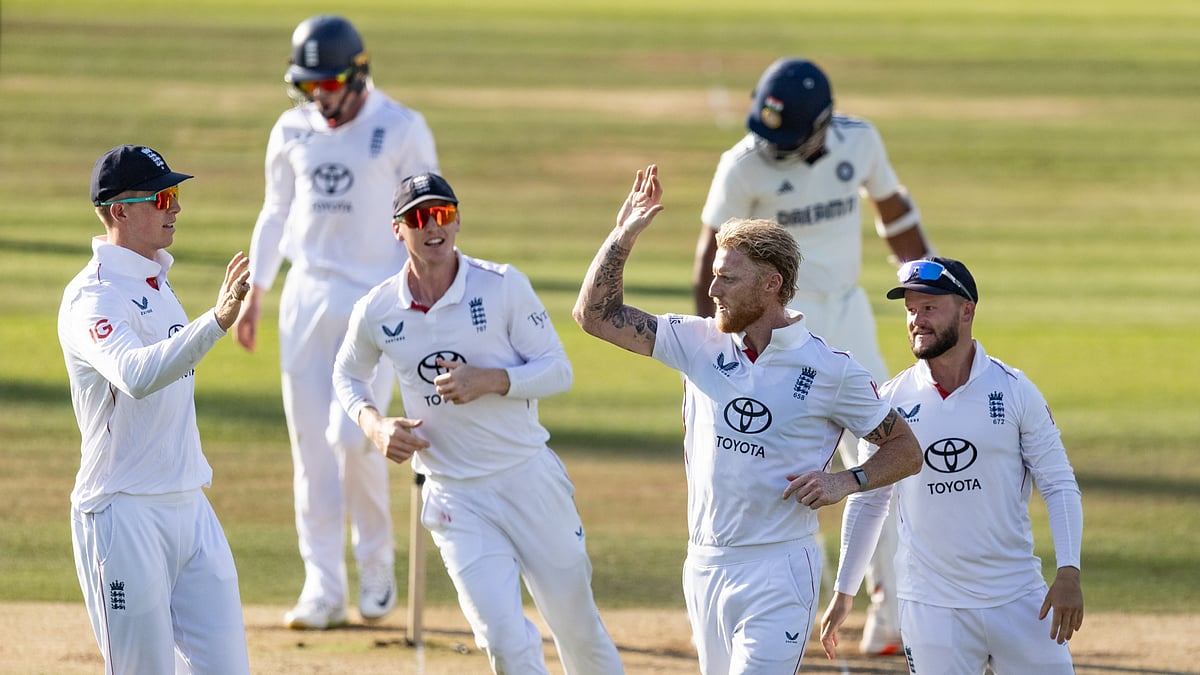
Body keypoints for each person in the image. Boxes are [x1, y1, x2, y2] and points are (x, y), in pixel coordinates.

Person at [574, 164, 922, 674]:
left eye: (728, 278)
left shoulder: (832, 370)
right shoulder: (696, 341)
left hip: (780, 568)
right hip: (703, 565)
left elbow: (906, 449)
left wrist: (845, 481)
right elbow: (594, 316)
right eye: (716, 274)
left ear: (770, 284)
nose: (713, 289)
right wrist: (623, 235)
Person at [332, 173, 624, 674]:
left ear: (457, 220)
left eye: (442, 213)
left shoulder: (502, 285)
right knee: (502, 641)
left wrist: (490, 380)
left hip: (528, 480)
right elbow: (347, 374)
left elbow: (558, 371)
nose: (433, 226)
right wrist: (374, 425)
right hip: (455, 497)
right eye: (419, 217)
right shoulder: (376, 309)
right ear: (398, 229)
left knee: (577, 626)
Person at [692, 56, 934, 655]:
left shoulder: (861, 140)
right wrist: (715, 344)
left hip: (848, 317)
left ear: (822, 124)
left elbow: (894, 213)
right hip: (777, 323)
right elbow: (710, 260)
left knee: (881, 453)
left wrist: (932, 295)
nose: (773, 147)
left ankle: (891, 612)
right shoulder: (742, 165)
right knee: (768, 455)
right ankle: (773, 599)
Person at [234, 14, 440, 629]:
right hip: (307, 292)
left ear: (357, 75)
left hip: (377, 300)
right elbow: (276, 212)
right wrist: (257, 290)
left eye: (328, 85)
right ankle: (321, 587)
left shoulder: (401, 127)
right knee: (311, 449)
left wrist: (428, 294)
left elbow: (428, 216)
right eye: (309, 87)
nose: (319, 99)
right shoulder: (291, 130)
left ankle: (376, 563)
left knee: (353, 437)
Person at [819, 257, 1085, 673]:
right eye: (910, 310)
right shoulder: (891, 401)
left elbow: (1058, 484)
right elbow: (870, 500)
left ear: (966, 310)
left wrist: (1069, 571)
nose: (916, 321)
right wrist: (844, 591)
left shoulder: (1015, 391)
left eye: (929, 308)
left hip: (1018, 599)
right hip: (931, 610)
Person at [58, 144, 252, 673]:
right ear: (119, 211)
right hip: (123, 511)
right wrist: (215, 322)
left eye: (175, 194)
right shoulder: (92, 298)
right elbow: (135, 375)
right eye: (162, 197)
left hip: (190, 504)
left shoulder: (157, 282)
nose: (176, 207)